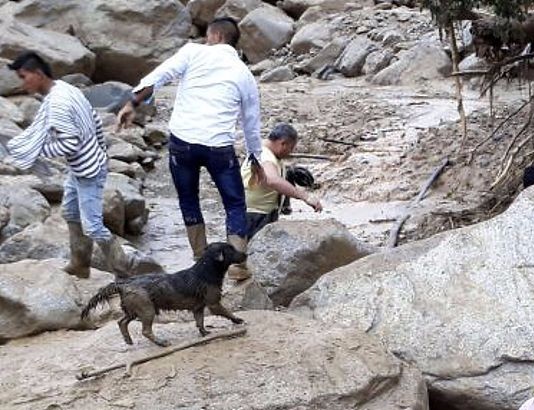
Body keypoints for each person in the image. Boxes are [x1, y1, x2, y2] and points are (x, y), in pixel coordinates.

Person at [116, 17, 264, 264]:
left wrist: (133, 103)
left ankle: (200, 257)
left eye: (208, 36)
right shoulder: (243, 73)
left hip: (182, 143)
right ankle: (238, 265)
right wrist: (255, 157)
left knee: (188, 200)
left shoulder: (193, 52)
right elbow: (251, 121)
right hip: (219, 146)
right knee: (235, 203)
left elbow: (160, 75)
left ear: (215, 36)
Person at [2, 52, 136, 278]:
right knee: (70, 212)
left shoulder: (58, 103)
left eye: (24, 77)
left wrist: (38, 151)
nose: (22, 83)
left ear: (38, 74)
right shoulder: (66, 89)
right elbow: (93, 120)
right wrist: (101, 150)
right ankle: (79, 264)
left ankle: (123, 270)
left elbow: (69, 144)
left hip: (88, 169)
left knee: (92, 225)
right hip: (83, 165)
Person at [233, 123, 323, 280]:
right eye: (290, 148)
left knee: (256, 255)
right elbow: (272, 180)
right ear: (283, 143)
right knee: (254, 255)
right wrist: (305, 197)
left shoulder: (263, 150)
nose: (290, 153)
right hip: (255, 214)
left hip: (258, 211)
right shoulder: (266, 156)